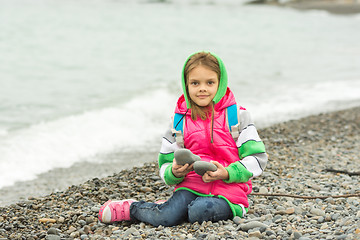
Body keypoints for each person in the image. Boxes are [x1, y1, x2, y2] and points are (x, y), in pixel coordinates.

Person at [98, 51, 268, 227]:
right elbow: (165, 163)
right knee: (166, 218)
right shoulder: (178, 121)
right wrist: (173, 173)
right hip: (190, 186)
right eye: (195, 83)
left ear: (221, 83)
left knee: (199, 212)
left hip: (229, 192)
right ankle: (132, 208)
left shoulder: (237, 116)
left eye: (210, 82)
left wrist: (227, 172)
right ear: (186, 85)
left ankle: (175, 208)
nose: (202, 88)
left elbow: (258, 159)